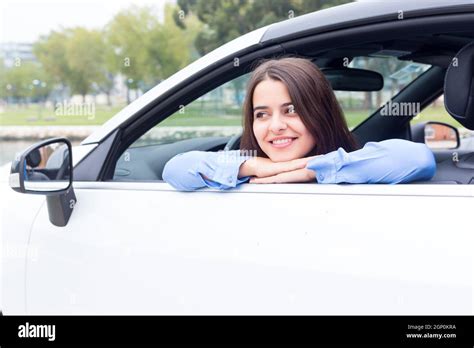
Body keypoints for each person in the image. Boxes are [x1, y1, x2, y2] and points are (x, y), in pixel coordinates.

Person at [162, 57, 436, 191]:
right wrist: (258, 167)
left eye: (291, 110)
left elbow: (419, 159)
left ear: (320, 112)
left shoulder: (351, 163)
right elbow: (175, 169)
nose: (276, 126)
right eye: (262, 114)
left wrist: (313, 170)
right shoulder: (244, 164)